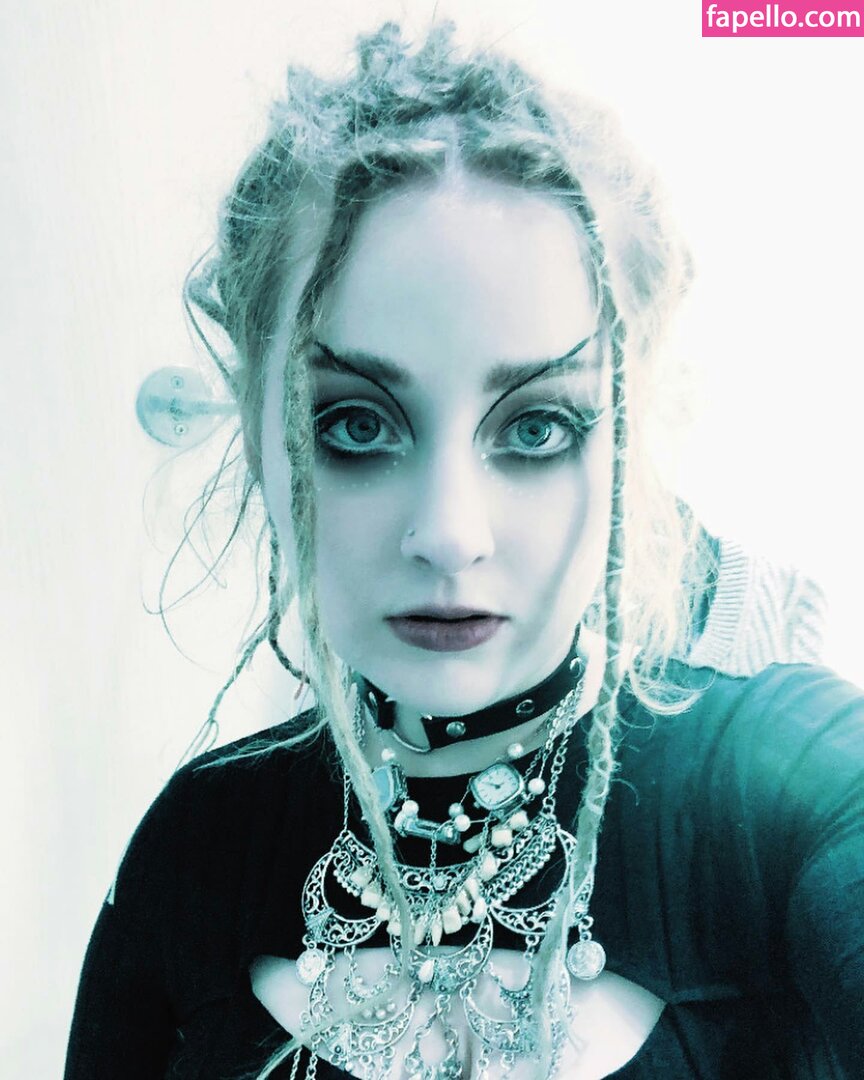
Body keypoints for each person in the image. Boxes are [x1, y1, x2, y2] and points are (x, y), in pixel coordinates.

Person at [63, 22, 863, 1080]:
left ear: (626, 437)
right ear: (256, 432)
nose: (449, 534)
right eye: (355, 423)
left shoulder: (790, 792)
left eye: (537, 427)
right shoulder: (192, 846)